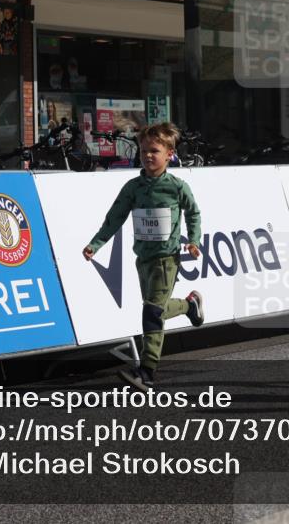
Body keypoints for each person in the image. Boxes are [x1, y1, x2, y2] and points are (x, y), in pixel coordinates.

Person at [82, 122, 204, 392]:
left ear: (169, 154)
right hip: (143, 259)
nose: (148, 156)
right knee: (155, 309)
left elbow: (194, 213)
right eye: (144, 150)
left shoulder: (177, 187)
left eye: (155, 151)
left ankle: (147, 371)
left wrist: (193, 241)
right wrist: (96, 244)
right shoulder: (132, 187)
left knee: (151, 312)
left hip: (167, 259)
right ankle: (189, 305)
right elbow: (114, 218)